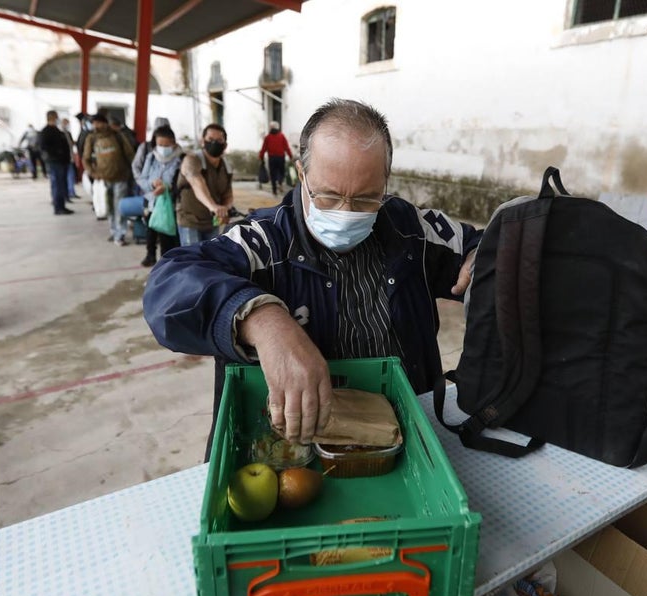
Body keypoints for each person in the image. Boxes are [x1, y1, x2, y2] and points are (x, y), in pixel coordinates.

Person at [143, 99, 480, 444]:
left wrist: (479, 257)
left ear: (385, 182)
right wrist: (261, 321)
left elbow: (487, 246)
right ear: (302, 175)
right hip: (293, 446)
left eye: (366, 199)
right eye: (328, 197)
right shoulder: (265, 243)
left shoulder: (411, 230)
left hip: (405, 433)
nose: (347, 213)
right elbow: (167, 286)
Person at [130, 124, 184, 267]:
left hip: (169, 204)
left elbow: (182, 183)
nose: (163, 148)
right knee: (151, 230)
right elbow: (142, 178)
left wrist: (167, 187)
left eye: (166, 144)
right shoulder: (151, 157)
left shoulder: (181, 159)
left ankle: (166, 263)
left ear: (173, 143)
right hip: (151, 200)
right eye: (160, 144)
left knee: (167, 234)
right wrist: (152, 185)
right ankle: (150, 255)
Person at [173, 124, 233, 246]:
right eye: (210, 140)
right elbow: (197, 184)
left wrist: (226, 208)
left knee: (211, 259)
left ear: (225, 145)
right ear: (202, 142)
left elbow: (228, 193)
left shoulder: (226, 166)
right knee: (194, 260)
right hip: (190, 221)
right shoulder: (191, 160)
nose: (214, 143)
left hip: (212, 222)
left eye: (219, 140)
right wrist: (213, 207)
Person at [82, 113, 136, 245]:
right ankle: (114, 231)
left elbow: (130, 154)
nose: (96, 126)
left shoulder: (117, 135)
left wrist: (134, 171)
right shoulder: (91, 138)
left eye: (98, 123)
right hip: (103, 179)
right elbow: (86, 158)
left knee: (119, 206)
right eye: (94, 123)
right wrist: (93, 173)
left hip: (121, 176)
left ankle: (120, 234)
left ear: (105, 123)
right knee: (109, 206)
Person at [38, 110, 74, 216]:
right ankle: (58, 207)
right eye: (56, 117)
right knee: (57, 185)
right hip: (55, 162)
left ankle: (62, 206)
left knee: (62, 184)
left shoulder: (56, 130)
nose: (57, 119)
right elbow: (44, 147)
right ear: (52, 117)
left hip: (62, 161)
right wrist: (57, 153)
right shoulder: (46, 132)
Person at [259, 120, 293, 197]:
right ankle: (280, 182)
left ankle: (274, 191)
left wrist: (261, 157)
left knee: (273, 174)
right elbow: (286, 147)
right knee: (281, 171)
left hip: (272, 158)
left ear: (271, 128)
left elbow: (263, 148)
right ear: (277, 127)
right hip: (281, 157)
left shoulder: (267, 137)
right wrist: (290, 156)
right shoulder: (281, 136)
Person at [59, 117, 79, 200]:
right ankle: (68, 193)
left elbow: (70, 144)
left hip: (70, 157)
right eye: (66, 123)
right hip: (64, 159)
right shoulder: (60, 133)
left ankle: (72, 192)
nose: (67, 125)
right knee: (66, 176)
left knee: (71, 176)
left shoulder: (68, 133)